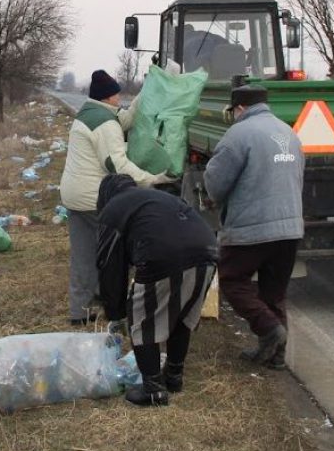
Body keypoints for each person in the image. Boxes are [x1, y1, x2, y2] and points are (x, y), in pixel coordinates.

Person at [203, 85, 305, 369]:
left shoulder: (239, 134)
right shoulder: (288, 132)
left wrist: (215, 199)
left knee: (233, 280)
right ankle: (276, 356)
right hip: (290, 227)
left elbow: (216, 182)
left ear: (240, 108)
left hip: (251, 228)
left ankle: (269, 329)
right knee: (274, 292)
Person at [95, 174, 218, 407]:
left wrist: (116, 311)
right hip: (208, 251)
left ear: (104, 196)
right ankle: (174, 377)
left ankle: (153, 389)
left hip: (164, 256)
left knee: (142, 319)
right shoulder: (154, 197)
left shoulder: (112, 210)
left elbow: (109, 266)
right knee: (181, 314)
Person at [59, 70, 170, 325]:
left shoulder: (91, 113)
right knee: (109, 256)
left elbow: (127, 117)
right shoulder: (105, 124)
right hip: (93, 199)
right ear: (108, 97)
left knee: (85, 253)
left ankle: (84, 307)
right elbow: (117, 164)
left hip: (74, 195)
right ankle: (101, 312)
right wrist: (152, 180)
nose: (120, 98)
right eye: (117, 94)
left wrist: (149, 86)